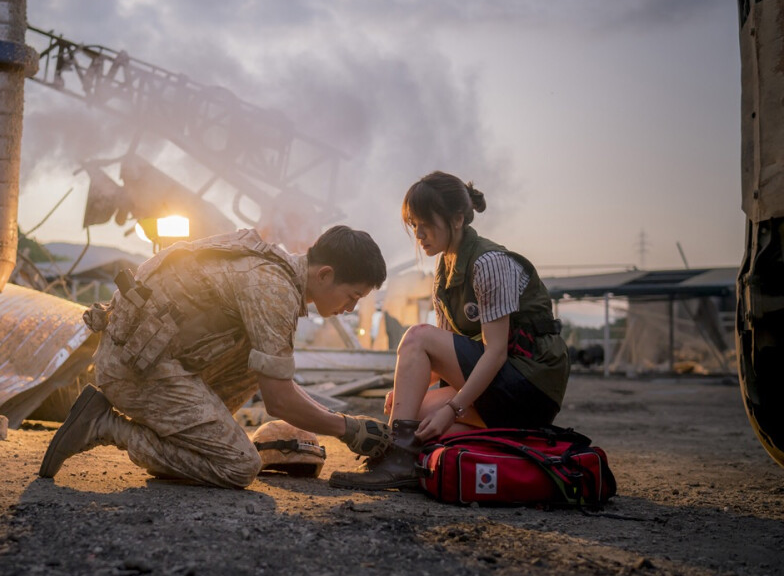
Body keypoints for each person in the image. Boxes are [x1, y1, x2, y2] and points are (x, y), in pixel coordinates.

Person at [39, 225, 392, 488]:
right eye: (353, 296)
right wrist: (348, 428)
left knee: (264, 361)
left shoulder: (276, 272)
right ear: (325, 274)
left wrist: (341, 420)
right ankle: (104, 424)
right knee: (237, 466)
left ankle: (183, 431)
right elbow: (280, 401)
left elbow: (276, 381)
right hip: (134, 369)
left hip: (153, 359)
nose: (350, 309)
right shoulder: (273, 289)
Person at [330, 171, 569, 490]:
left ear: (457, 219)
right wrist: (405, 390)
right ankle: (408, 460)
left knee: (417, 336)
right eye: (414, 225)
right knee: (417, 421)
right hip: (502, 388)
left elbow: (495, 353)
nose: (419, 234)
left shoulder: (489, 263)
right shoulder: (445, 270)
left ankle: (396, 459)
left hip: (530, 386)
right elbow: (444, 356)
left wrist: (453, 408)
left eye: (425, 223)